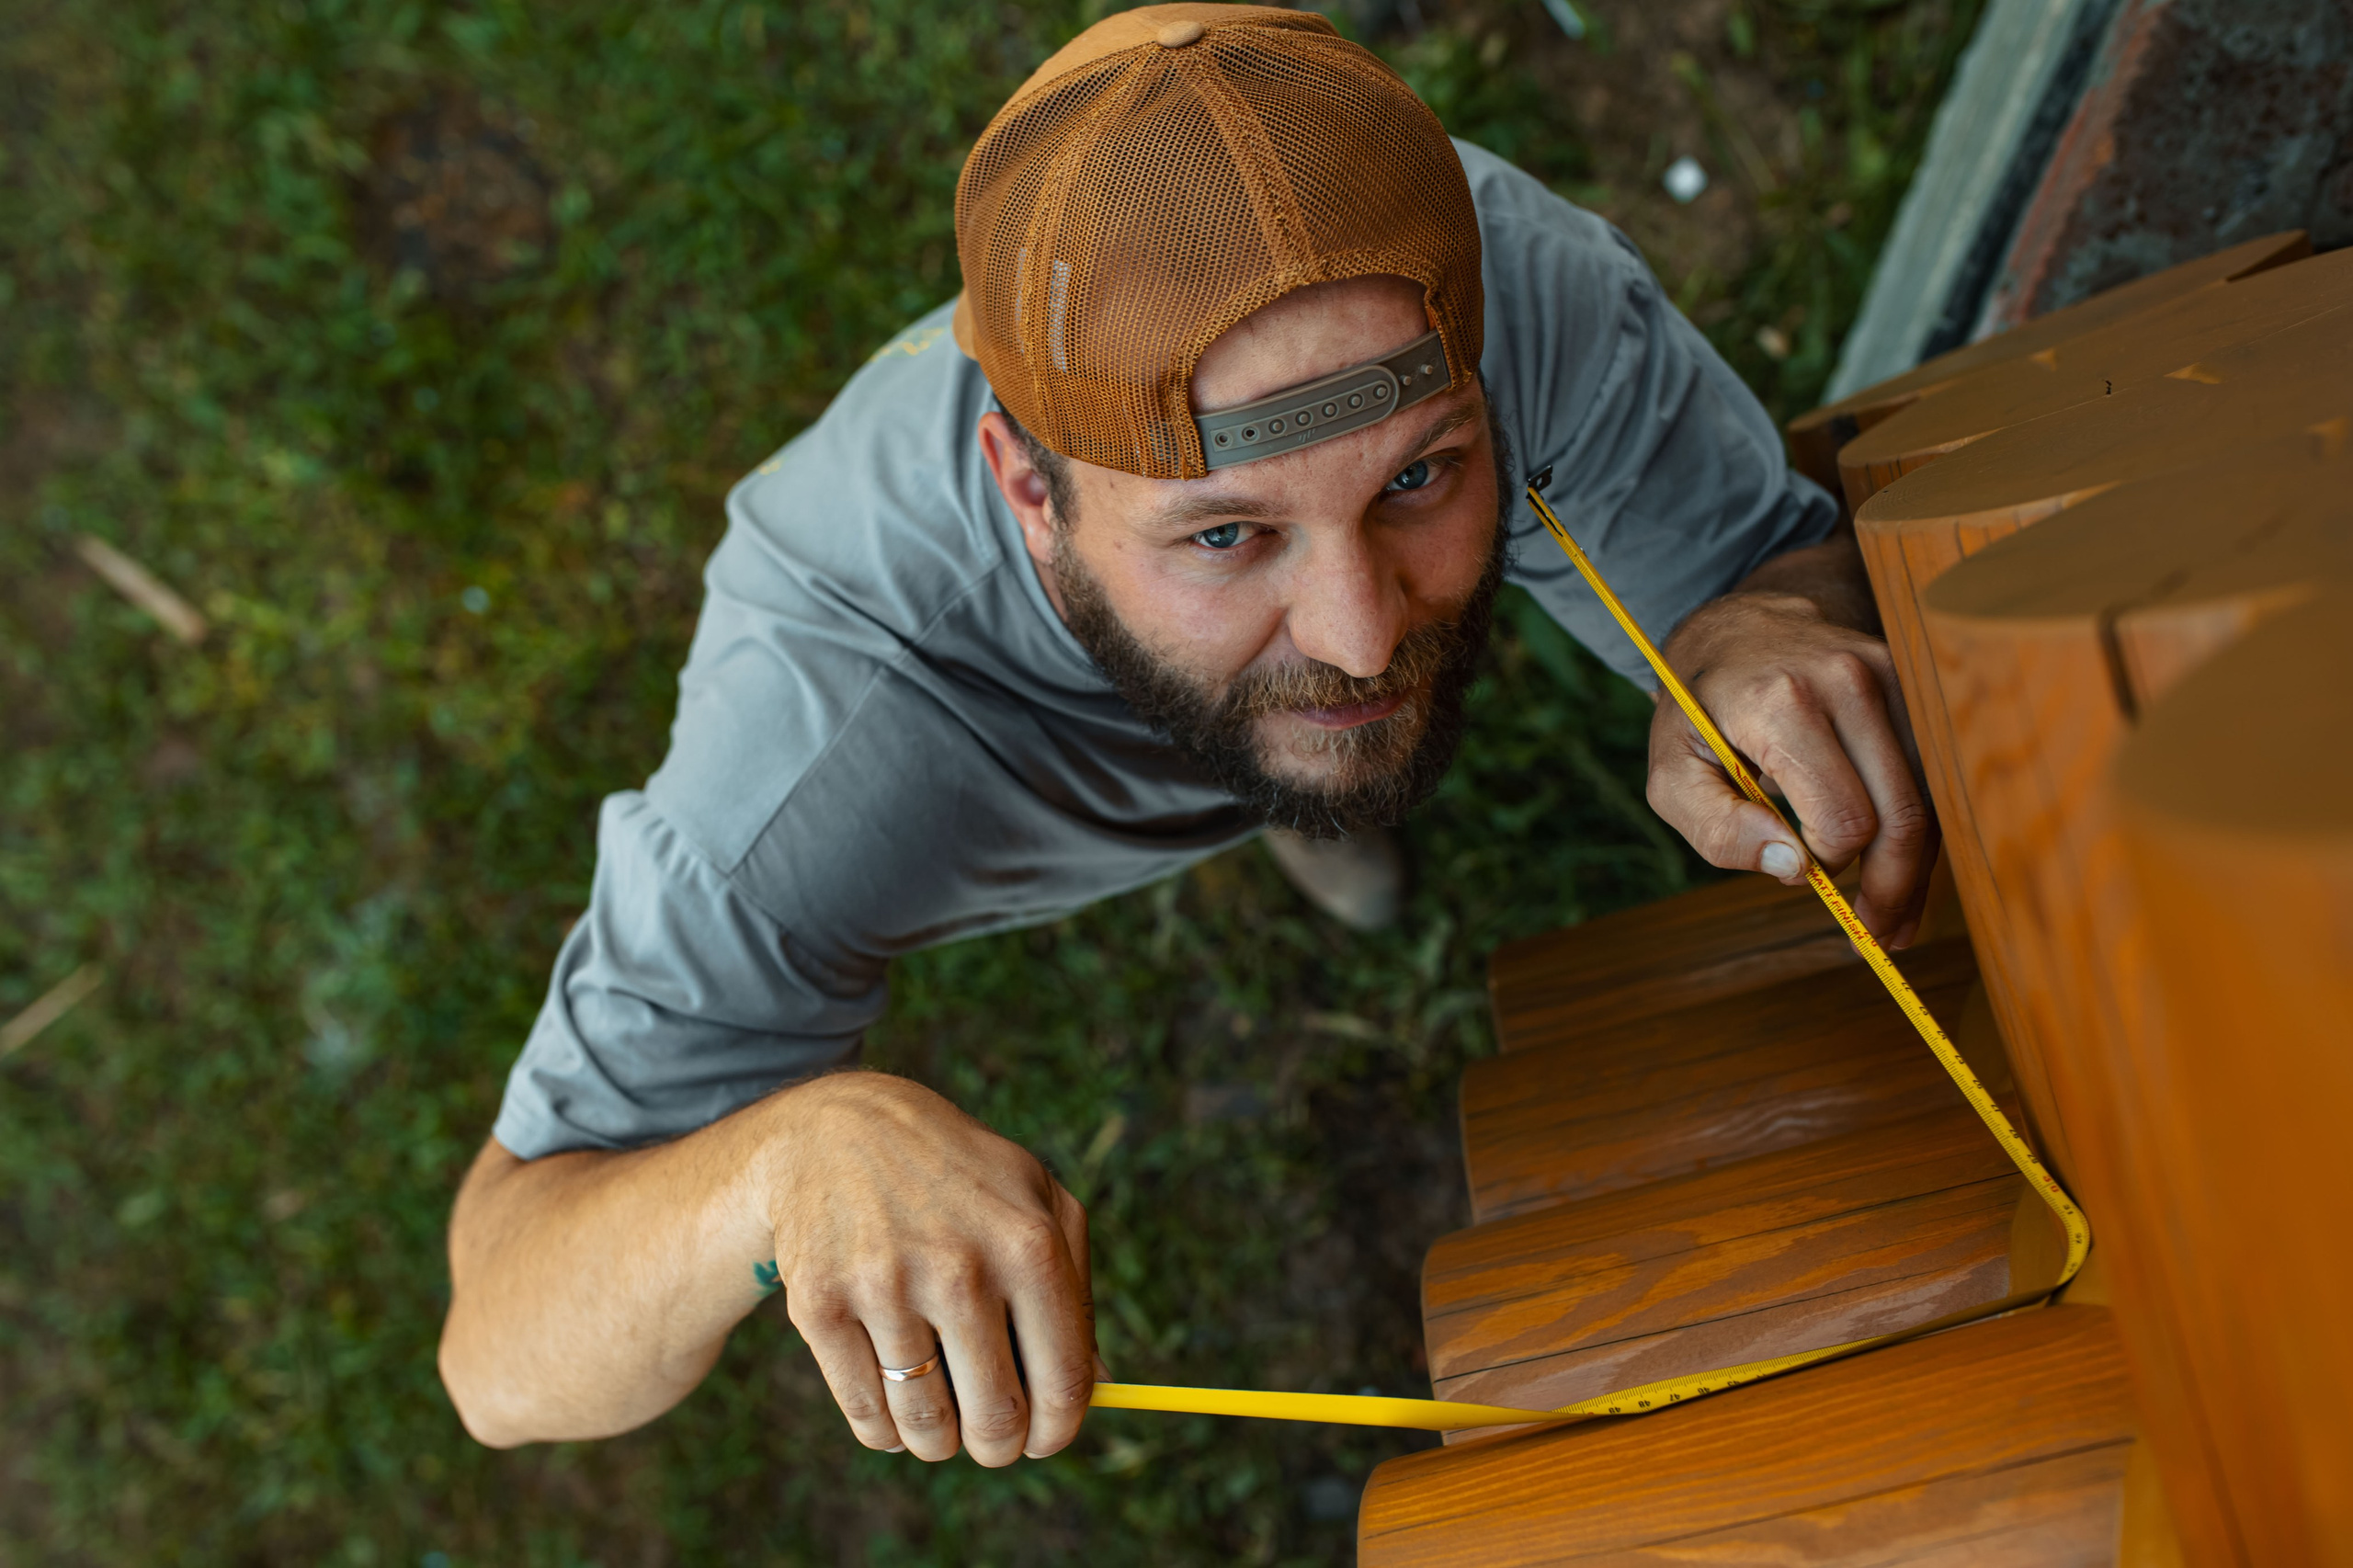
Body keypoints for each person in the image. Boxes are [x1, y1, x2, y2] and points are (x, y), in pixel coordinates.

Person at [437, 5, 1933, 1467]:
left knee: (1301, 716)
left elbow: (1765, 569)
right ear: (1028, 490)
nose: (1364, 629)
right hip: (953, 713)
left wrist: (1744, 623)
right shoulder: (818, 755)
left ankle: (1282, 770)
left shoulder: (1499, 286)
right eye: (1226, 533)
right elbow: (499, 1346)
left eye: (1421, 479)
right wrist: (769, 1167)